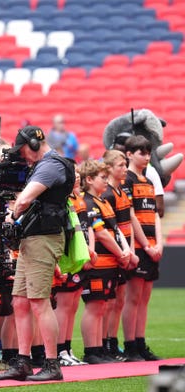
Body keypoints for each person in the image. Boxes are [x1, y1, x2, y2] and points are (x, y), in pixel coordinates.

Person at [0, 125, 74, 382]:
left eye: (23, 150)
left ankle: (51, 363)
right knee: (20, 300)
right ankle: (23, 361)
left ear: (34, 144)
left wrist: (11, 215)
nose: (23, 156)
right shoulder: (45, 165)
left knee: (38, 301)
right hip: (33, 236)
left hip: (43, 237)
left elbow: (25, 199)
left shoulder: (51, 165)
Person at [78, 159, 130, 364]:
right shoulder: (88, 202)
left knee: (103, 306)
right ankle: (92, 350)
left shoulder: (103, 201)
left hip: (110, 263)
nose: (107, 182)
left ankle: (101, 349)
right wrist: (121, 253)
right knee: (94, 306)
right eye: (103, 178)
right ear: (89, 180)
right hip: (97, 264)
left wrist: (124, 252)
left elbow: (114, 230)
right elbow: (101, 234)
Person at [121, 135, 163, 361]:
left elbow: (155, 214)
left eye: (148, 153)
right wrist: (146, 245)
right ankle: (130, 346)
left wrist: (159, 243)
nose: (146, 157)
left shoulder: (148, 182)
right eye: (141, 153)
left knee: (144, 298)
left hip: (152, 247)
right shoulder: (127, 180)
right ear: (129, 154)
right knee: (133, 297)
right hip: (138, 246)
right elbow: (130, 215)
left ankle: (140, 342)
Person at [102, 150, 139, 362]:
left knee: (119, 300)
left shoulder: (122, 191)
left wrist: (131, 250)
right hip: (113, 254)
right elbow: (110, 229)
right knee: (108, 301)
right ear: (109, 169)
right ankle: (104, 344)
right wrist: (123, 252)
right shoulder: (107, 194)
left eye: (125, 165)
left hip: (124, 251)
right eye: (120, 166)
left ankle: (112, 342)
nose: (125, 169)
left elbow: (128, 225)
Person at [54, 162, 92, 366]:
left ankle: (67, 348)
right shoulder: (62, 201)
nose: (77, 176)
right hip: (68, 259)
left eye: (77, 172)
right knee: (64, 305)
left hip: (79, 258)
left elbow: (84, 229)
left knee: (73, 305)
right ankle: (59, 351)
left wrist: (88, 249)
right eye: (72, 173)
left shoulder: (79, 199)